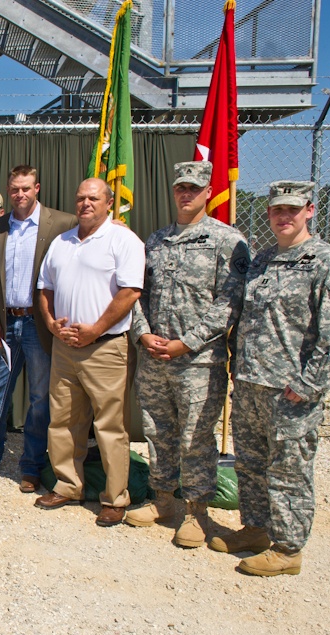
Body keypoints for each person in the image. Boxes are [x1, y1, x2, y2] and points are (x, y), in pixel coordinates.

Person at [211, 180, 330, 576]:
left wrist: (310, 385)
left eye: (292, 210)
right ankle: (258, 529)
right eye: (277, 210)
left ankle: (289, 548)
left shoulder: (328, 262)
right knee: (251, 464)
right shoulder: (262, 260)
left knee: (289, 470)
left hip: (291, 390)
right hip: (249, 383)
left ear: (309, 210)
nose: (284, 216)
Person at [125, 161, 251, 546]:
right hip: (154, 357)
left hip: (197, 361)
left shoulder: (228, 241)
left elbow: (229, 302)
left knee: (195, 436)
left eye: (194, 189)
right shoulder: (156, 241)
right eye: (181, 187)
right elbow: (136, 294)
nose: (186, 194)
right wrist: (143, 335)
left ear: (207, 193)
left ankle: (196, 511)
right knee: (157, 430)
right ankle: (163, 499)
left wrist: (188, 342)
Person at [0, 165, 78, 493]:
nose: (20, 194)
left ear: (37, 188)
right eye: (15, 189)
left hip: (40, 325)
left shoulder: (63, 224)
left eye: (26, 188)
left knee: (39, 398)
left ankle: (31, 466)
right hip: (7, 324)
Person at [35, 178, 145, 526]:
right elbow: (44, 287)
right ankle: (68, 485)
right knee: (65, 420)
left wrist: (95, 329)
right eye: (80, 197)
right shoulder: (61, 242)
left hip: (105, 348)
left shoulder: (123, 240)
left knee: (110, 425)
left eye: (93, 198)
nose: (85, 204)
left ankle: (115, 498)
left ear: (109, 202)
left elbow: (130, 292)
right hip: (65, 348)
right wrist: (52, 323)